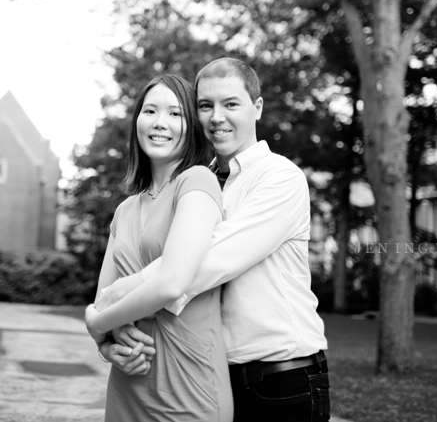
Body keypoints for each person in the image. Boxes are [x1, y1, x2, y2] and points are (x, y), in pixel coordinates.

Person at [97, 58, 330, 422]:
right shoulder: (196, 181)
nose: (217, 117)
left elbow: (206, 263)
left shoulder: (279, 177)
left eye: (231, 104)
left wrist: (114, 302)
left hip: (280, 376)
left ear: (257, 107)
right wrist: (115, 331)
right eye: (206, 105)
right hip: (215, 371)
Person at [85, 73, 234, 422]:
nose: (160, 123)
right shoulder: (125, 211)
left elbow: (171, 283)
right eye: (150, 111)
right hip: (127, 385)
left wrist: (97, 324)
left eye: (175, 114)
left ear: (192, 126)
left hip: (187, 388)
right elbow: (103, 297)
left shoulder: (197, 181)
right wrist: (107, 347)